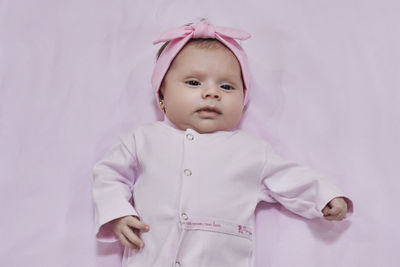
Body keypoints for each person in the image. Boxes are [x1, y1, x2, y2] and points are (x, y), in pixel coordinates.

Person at [92, 19, 352, 267]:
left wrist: (324, 197)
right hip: (151, 256)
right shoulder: (144, 139)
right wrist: (117, 212)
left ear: (243, 98)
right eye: (194, 82)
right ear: (162, 94)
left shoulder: (251, 151)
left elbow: (289, 178)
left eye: (227, 87)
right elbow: (109, 174)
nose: (212, 93)